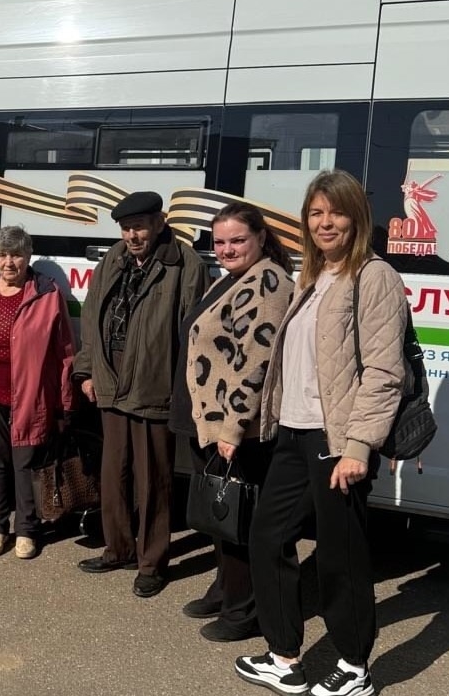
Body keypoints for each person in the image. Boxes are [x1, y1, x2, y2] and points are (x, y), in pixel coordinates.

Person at [235, 170, 408, 696]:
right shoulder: (313, 275)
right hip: (294, 432)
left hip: (337, 441)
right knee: (267, 538)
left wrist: (359, 447)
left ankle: (354, 668)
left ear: (357, 217)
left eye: (335, 212)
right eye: (315, 213)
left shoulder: (374, 276)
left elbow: (384, 371)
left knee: (340, 556)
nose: (324, 222)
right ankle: (285, 658)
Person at [73, 191, 209, 597]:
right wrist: (86, 369)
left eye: (139, 227)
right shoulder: (113, 258)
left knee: (154, 480)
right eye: (126, 229)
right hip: (111, 382)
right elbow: (91, 316)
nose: (132, 236)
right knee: (113, 473)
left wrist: (184, 390)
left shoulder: (185, 264)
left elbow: (196, 333)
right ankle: (117, 548)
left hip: (154, 384)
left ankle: (151, 562)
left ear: (159, 223)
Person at [168, 202, 294, 642]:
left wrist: (232, 428)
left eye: (237, 240)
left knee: (238, 517)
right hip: (209, 421)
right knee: (218, 512)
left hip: (236, 428)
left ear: (261, 237)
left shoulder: (270, 283)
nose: (226, 249)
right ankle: (225, 589)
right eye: (219, 242)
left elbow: (255, 364)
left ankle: (245, 611)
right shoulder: (231, 278)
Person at [0, 226, 75, 560]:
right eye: (2, 255)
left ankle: (27, 530)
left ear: (28, 256)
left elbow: (65, 351)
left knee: (27, 463)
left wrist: (65, 401)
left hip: (30, 396)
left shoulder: (47, 294)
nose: (9, 262)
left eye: (16, 255)